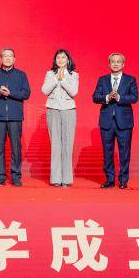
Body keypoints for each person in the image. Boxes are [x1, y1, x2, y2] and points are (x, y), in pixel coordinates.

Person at [0, 47, 31, 186]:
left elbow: (26, 93)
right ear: (0, 59)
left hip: (15, 117)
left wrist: (11, 93)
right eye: (5, 56)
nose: (8, 58)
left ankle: (15, 176)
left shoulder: (21, 75)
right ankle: (0, 176)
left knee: (16, 148)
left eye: (10, 56)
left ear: (14, 59)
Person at [93, 53, 139, 189]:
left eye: (118, 62)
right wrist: (107, 97)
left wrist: (119, 97)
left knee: (124, 152)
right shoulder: (102, 80)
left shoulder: (130, 80)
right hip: (106, 122)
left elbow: (134, 97)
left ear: (123, 64)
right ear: (109, 64)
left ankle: (123, 181)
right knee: (107, 152)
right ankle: (110, 180)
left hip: (124, 122)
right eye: (113, 61)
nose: (116, 64)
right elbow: (95, 97)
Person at [42, 49, 79, 187]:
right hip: (53, 109)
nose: (61, 60)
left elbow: (74, 92)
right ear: (55, 60)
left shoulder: (74, 74)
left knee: (68, 144)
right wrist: (56, 78)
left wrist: (63, 79)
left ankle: (67, 179)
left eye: (63, 57)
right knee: (55, 144)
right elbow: (44, 90)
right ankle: (56, 178)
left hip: (69, 110)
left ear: (68, 60)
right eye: (58, 57)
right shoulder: (50, 74)